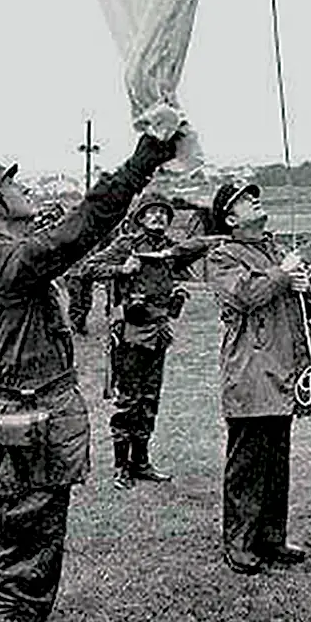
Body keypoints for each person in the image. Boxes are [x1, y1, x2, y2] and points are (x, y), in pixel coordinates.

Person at [0, 126, 182, 622]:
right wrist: (145, 156)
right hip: (24, 431)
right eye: (11, 184)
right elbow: (86, 224)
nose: (22, 189)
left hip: (25, 426)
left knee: (27, 558)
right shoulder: (0, 258)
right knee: (22, 566)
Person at [205, 181, 311, 575]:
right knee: (247, 465)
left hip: (284, 373)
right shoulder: (222, 256)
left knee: (276, 462)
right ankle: (239, 544)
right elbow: (244, 295)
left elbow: (303, 307)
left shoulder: (273, 252)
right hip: (251, 373)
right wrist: (282, 274)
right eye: (244, 199)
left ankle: (272, 538)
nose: (254, 199)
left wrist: (309, 290)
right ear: (229, 217)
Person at [85, 191, 219, 487]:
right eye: (151, 212)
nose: (158, 216)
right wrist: (122, 268)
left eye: (163, 213)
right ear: (140, 218)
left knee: (149, 400)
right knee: (128, 401)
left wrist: (176, 276)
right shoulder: (126, 245)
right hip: (131, 333)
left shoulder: (172, 248)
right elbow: (88, 268)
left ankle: (141, 462)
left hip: (158, 332)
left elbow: (201, 246)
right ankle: (122, 467)